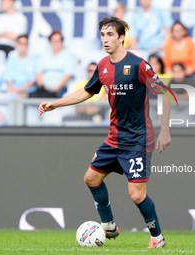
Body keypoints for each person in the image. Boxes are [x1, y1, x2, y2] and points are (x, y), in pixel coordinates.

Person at [38, 17, 171, 248]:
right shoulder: (102, 66)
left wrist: (165, 131)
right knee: (91, 178)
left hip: (138, 140)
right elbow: (87, 91)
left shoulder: (139, 65)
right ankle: (109, 225)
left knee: (137, 195)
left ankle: (157, 237)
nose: (105, 39)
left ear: (121, 37)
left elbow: (166, 95)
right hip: (114, 138)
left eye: (110, 34)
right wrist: (57, 104)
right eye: (102, 35)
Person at [32, 31, 76, 98]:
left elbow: (68, 75)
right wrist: (43, 88)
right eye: (53, 40)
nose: (56, 43)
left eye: (58, 40)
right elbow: (39, 73)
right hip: (44, 89)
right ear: (50, 42)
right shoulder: (44, 55)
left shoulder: (68, 56)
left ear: (62, 41)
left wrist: (56, 89)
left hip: (61, 89)